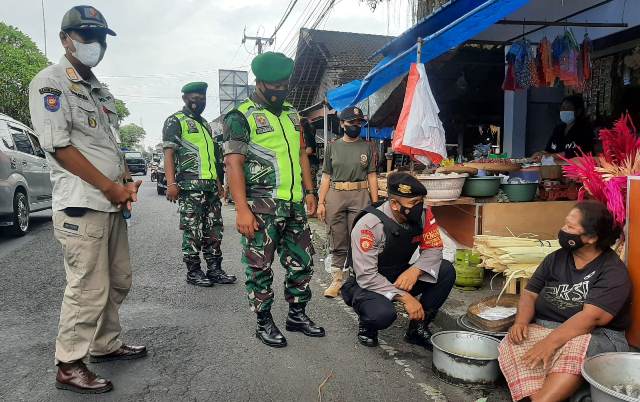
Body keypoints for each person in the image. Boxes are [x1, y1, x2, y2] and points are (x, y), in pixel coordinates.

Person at [28, 6, 146, 394]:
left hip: (111, 204)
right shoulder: (50, 82)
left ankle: (105, 344)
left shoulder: (98, 89)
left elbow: (107, 144)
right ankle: (69, 364)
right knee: (87, 287)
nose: (95, 45)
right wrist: (110, 188)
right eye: (85, 37)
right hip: (83, 204)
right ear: (66, 39)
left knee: (118, 279)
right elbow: (59, 146)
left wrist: (125, 182)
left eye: (100, 39)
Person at [223, 52, 325, 348]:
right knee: (260, 266)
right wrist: (241, 209)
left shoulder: (293, 114)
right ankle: (263, 321)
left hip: (293, 204)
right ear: (259, 82)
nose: (280, 90)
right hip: (261, 205)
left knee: (302, 262)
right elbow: (233, 163)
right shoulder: (240, 116)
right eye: (274, 85)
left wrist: (310, 191)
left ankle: (297, 314)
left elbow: (302, 155)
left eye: (284, 85)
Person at [499, 200, 630, 402]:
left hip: (596, 335)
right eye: (564, 224)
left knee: (573, 346)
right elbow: (529, 294)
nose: (563, 230)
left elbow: (591, 318)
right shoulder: (556, 258)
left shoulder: (612, 271)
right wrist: (521, 322)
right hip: (547, 327)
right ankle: (538, 396)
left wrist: (550, 343)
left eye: (570, 227)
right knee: (515, 339)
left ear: (591, 238)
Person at [341, 172, 456, 349]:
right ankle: (368, 325)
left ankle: (417, 328)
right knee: (382, 314)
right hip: (367, 282)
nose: (418, 207)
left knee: (446, 270)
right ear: (394, 204)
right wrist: (405, 297)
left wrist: (415, 270)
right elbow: (366, 276)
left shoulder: (424, 215)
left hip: (400, 273)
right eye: (412, 203)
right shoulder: (369, 225)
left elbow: (434, 249)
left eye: (420, 202)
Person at [162, 82, 236, 287]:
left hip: (210, 187)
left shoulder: (204, 123)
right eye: (195, 99)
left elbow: (212, 157)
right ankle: (193, 272)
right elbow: (168, 152)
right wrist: (171, 183)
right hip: (190, 187)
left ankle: (214, 270)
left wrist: (219, 183)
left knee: (214, 230)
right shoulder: (175, 121)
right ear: (185, 98)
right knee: (192, 230)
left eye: (202, 99)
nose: (199, 103)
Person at [317, 107, 378, 298]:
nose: (356, 126)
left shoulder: (367, 147)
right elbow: (326, 176)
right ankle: (337, 279)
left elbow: (372, 175)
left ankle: (358, 279)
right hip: (335, 195)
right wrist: (320, 202)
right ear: (342, 124)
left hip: (360, 194)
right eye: (352, 123)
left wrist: (375, 204)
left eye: (359, 123)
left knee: (360, 237)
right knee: (337, 237)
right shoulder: (332, 147)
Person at [544, 94, 594, 159]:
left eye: (567, 108)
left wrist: (555, 156)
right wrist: (541, 153)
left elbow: (580, 152)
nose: (563, 111)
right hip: (557, 167)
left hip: (577, 167)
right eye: (562, 108)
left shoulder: (584, 129)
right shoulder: (558, 129)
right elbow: (549, 150)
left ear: (578, 111)